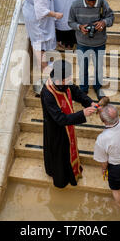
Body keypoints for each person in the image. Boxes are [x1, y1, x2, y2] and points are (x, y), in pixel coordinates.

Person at [40, 60, 98, 188]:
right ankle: (63, 177)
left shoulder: (63, 83)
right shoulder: (47, 94)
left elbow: (76, 92)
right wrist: (82, 114)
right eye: (67, 79)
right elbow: (60, 119)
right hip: (56, 129)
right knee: (60, 153)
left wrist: (89, 102)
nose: (69, 81)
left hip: (68, 122)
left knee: (69, 147)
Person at [22, 0, 63, 94]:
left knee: (40, 41)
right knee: (38, 43)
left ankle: (46, 66)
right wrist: (56, 15)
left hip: (31, 11)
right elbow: (41, 12)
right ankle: (46, 71)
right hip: (36, 18)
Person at [68, 0, 115, 99]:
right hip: (82, 44)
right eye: (90, 1)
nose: (93, 3)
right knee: (83, 67)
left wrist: (104, 23)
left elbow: (111, 17)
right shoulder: (75, 6)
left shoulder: (102, 3)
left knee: (99, 67)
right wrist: (79, 27)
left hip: (99, 43)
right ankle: (83, 90)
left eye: (95, 0)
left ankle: (97, 87)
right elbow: (70, 22)